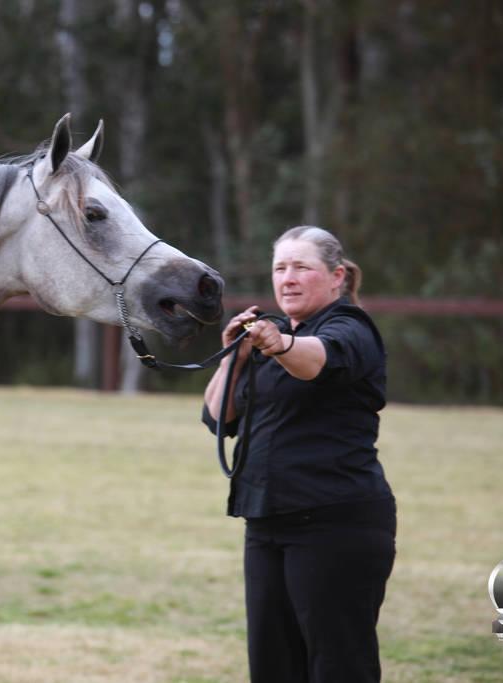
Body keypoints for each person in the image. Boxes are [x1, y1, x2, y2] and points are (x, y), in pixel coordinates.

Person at [202, 226, 396, 683]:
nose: (287, 279)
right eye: (280, 268)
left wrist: (280, 344)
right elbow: (217, 418)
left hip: (334, 523)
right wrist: (235, 357)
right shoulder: (270, 335)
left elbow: (317, 360)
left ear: (336, 277)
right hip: (266, 522)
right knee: (272, 664)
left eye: (301, 268)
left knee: (337, 665)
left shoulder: (350, 327)